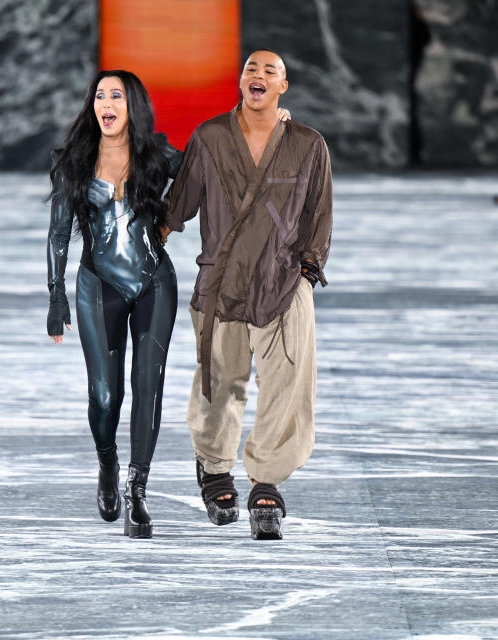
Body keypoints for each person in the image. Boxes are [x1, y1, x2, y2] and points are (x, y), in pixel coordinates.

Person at [162, 49, 333, 540]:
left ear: (284, 86)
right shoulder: (211, 137)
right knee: (218, 383)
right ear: (241, 82)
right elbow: (179, 206)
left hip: (283, 283)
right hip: (221, 283)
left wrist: (305, 272)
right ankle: (215, 467)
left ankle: (267, 481)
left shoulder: (307, 144)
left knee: (288, 385)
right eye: (250, 69)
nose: (257, 75)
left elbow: (319, 215)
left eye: (269, 71)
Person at [45, 70, 182, 539]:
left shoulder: (160, 156)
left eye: (116, 95)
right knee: (105, 396)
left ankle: (137, 491)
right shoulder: (74, 161)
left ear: (133, 106)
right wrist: (55, 294)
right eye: (100, 95)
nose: (106, 102)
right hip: (96, 283)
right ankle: (108, 464)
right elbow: (59, 233)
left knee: (149, 387)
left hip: (153, 282)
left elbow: (210, 171)